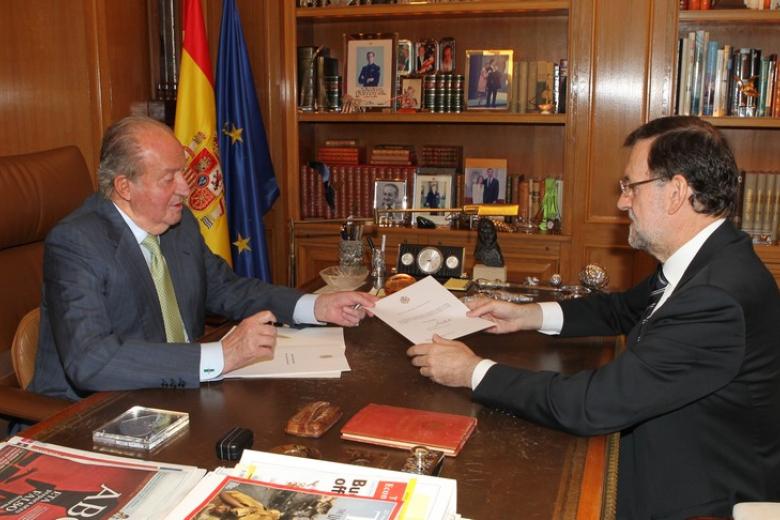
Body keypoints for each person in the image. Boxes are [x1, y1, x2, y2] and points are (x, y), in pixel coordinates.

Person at [406, 116, 780, 519]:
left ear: (675, 193)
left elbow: (593, 405)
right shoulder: (710, 258)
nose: (622, 202)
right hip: (669, 448)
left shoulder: (714, 298)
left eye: (629, 187)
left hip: (696, 497)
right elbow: (620, 309)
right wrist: (528, 315)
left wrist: (472, 371)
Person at [29, 116, 376, 401]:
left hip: (178, 394)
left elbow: (227, 288)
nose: (185, 188)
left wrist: (315, 306)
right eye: (169, 178)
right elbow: (91, 361)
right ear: (125, 187)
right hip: (90, 413)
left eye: (183, 172)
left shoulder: (178, 225)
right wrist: (220, 356)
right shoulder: (76, 243)